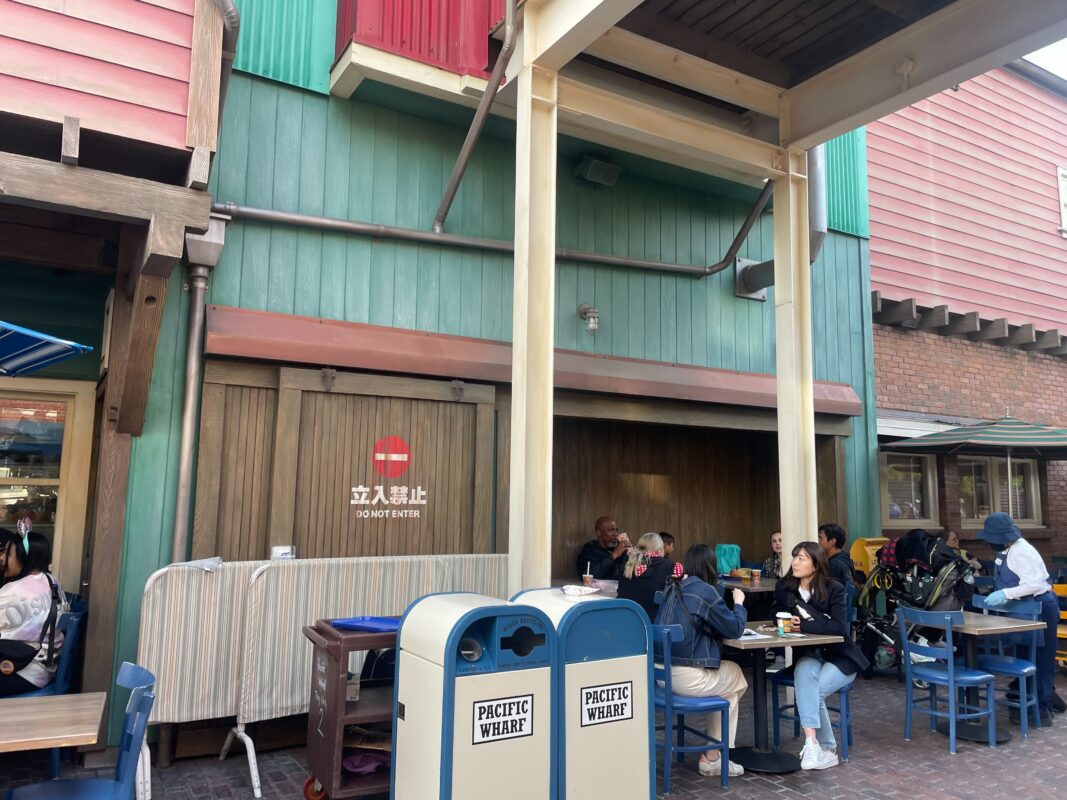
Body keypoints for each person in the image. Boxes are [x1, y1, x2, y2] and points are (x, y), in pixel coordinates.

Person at [654, 544, 748, 778]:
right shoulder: (704, 591)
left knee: (727, 690)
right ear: (711, 566)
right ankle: (714, 757)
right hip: (687, 678)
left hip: (661, 678)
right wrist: (739, 603)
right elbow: (735, 629)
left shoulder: (671, 587)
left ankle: (713, 756)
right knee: (735, 676)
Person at [774, 541, 869, 770]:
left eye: (802, 558)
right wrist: (786, 622)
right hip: (809, 655)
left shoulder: (834, 588)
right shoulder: (785, 588)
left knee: (812, 692)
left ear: (816, 564)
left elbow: (838, 627)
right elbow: (775, 616)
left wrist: (803, 626)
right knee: (804, 674)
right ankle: (813, 744)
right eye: (795, 557)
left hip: (841, 657)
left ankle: (826, 748)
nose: (795, 562)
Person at [978, 512, 1064, 722]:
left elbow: (1033, 584)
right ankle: (1035, 696)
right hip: (1024, 607)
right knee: (1026, 654)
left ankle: (1041, 708)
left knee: (1041, 657)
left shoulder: (1021, 552)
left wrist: (1004, 594)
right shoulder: (1008, 550)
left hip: (1039, 605)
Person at [0, 530, 65, 696]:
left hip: (20, 669)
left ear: (24, 558)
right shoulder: (52, 582)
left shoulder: (13, 591)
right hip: (47, 667)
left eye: (8, 554)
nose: (2, 558)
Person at [617, 533, 675, 621]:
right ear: (660, 549)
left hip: (624, 622)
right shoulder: (670, 566)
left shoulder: (627, 565)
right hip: (653, 627)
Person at [575, 516, 630, 580]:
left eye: (616, 530)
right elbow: (588, 576)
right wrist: (614, 555)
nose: (615, 534)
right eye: (611, 530)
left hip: (621, 588)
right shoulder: (589, 551)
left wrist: (632, 555)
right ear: (599, 532)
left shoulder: (620, 548)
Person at [818, 523, 855, 587]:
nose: (817, 542)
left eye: (820, 538)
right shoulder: (844, 559)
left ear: (832, 541)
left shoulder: (834, 565)